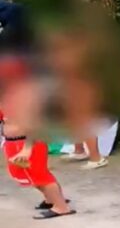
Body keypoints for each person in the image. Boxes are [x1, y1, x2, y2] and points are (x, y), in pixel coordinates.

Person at [0, 56, 74, 218]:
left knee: (39, 175)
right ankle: (51, 199)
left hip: (28, 141)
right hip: (13, 143)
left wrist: (27, 149)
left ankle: (61, 206)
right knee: (28, 174)